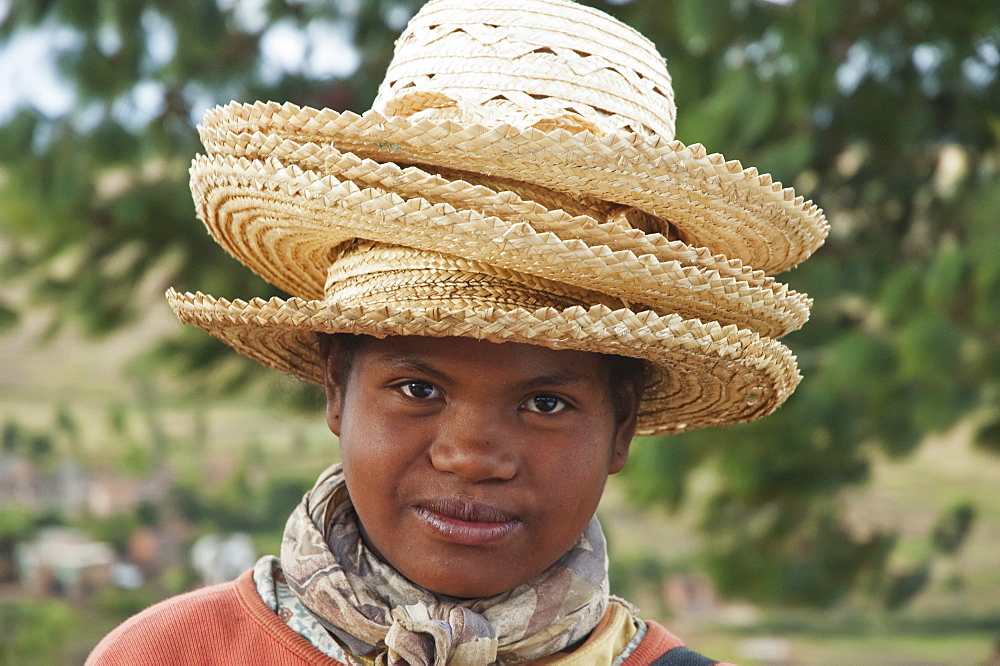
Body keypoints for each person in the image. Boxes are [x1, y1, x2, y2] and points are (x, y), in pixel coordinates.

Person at [87, 0, 827, 663]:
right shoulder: (170, 655)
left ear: (621, 425)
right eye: (417, 388)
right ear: (336, 390)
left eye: (545, 404)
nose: (472, 457)